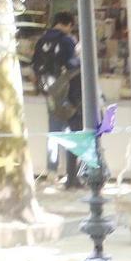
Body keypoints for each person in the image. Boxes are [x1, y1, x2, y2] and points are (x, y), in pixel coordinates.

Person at [32, 11, 83, 188]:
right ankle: (72, 175)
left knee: (54, 131)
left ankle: (52, 171)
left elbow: (35, 66)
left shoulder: (42, 40)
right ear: (68, 24)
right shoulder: (67, 40)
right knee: (72, 131)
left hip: (49, 92)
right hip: (67, 93)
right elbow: (72, 65)